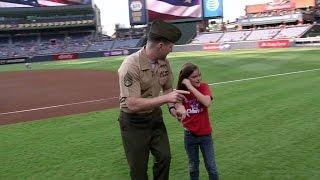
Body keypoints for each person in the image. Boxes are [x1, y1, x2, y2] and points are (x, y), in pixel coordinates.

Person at [118, 20, 189, 180]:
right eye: (171, 46)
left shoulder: (164, 63)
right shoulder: (130, 65)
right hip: (133, 122)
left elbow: (169, 89)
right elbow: (132, 104)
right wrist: (166, 99)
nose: (172, 49)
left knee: (165, 157)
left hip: (154, 118)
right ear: (160, 45)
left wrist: (174, 108)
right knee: (138, 170)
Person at [175, 63, 219, 180]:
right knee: (193, 167)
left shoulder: (204, 87)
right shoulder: (181, 92)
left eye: (199, 75)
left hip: (205, 136)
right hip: (190, 136)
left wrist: (191, 87)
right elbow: (178, 107)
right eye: (194, 77)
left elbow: (207, 102)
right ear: (186, 79)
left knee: (211, 167)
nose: (198, 78)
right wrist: (180, 110)